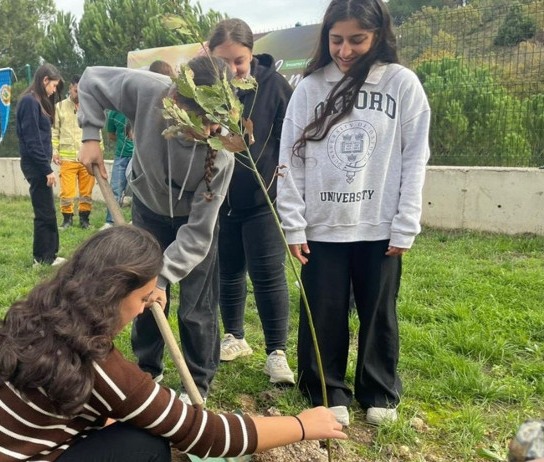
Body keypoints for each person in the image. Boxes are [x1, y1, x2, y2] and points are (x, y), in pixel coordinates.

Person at [0, 226, 346, 461]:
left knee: (117, 421)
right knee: (147, 445)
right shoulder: (101, 365)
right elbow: (202, 433)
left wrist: (145, 292)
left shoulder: (40, 311)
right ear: (110, 293)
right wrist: (300, 425)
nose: (145, 310)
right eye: (142, 299)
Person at [277, 0, 430, 427]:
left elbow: (415, 157)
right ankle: (326, 389)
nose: (345, 50)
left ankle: (378, 390)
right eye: (337, 39)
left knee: (378, 310)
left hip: (380, 223)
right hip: (321, 226)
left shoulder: (402, 84)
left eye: (357, 40)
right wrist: (293, 221)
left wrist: (406, 221)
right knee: (323, 311)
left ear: (378, 35)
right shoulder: (309, 88)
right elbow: (290, 156)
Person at [78, 56, 232, 402]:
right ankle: (149, 370)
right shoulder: (148, 91)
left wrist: (162, 278)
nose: (209, 131)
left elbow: (198, 233)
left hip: (192, 225)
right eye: (199, 122)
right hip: (148, 209)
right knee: (142, 298)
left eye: (215, 123)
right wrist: (91, 136)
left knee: (197, 307)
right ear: (175, 102)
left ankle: (198, 383)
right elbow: (91, 79)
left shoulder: (222, 154)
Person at [207, 19, 296, 385]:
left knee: (268, 275)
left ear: (251, 54)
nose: (231, 71)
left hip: (263, 198)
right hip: (222, 201)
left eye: (238, 61)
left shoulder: (274, 87)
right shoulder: (205, 92)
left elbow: (292, 141)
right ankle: (235, 337)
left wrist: (283, 185)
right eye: (222, 62)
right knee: (228, 273)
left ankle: (277, 352)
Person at [101, 60, 176, 231]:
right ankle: (112, 220)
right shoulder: (133, 104)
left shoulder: (173, 107)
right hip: (133, 160)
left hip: (156, 170)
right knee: (126, 190)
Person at [16, 64, 65, 265]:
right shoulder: (29, 102)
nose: (54, 90)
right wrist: (46, 170)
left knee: (48, 211)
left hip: (40, 163)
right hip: (36, 166)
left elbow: (41, 137)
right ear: (45, 80)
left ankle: (49, 254)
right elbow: (32, 139)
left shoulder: (37, 102)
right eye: (53, 85)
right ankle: (42, 257)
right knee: (44, 213)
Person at [52, 75, 95, 230]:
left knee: (86, 192)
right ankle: (67, 220)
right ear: (70, 88)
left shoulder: (89, 107)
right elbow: (54, 131)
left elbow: (97, 132)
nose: (79, 94)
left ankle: (85, 220)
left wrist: (99, 153)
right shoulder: (59, 107)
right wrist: (54, 151)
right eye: (77, 90)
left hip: (86, 158)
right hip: (67, 158)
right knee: (66, 193)